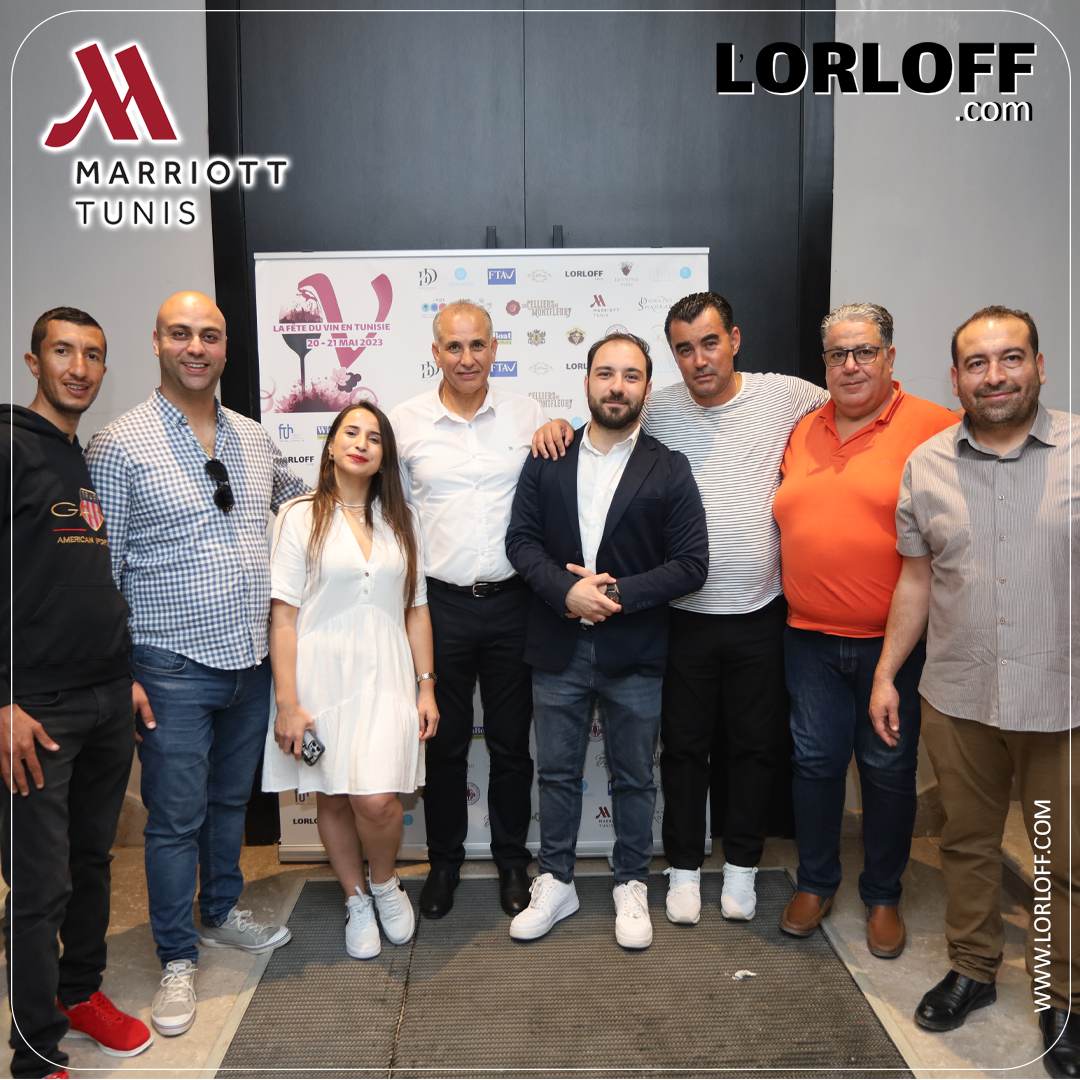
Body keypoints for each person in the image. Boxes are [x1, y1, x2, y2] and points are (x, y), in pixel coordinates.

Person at [534, 292, 828, 924]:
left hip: (759, 611)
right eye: (685, 348)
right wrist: (555, 424)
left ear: (735, 340)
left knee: (753, 749)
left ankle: (742, 868)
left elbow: (848, 406)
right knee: (684, 751)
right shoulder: (657, 406)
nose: (699, 359)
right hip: (682, 618)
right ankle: (685, 870)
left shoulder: (786, 395)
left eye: (710, 343)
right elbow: (602, 421)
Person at [85, 292, 307, 1038]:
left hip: (250, 659)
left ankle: (218, 911)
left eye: (209, 335)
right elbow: (101, 571)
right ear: (156, 342)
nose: (196, 347)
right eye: (180, 334)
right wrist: (121, 674)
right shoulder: (118, 445)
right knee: (175, 820)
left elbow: (303, 503)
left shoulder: (253, 437)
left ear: (225, 347)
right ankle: (177, 957)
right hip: (170, 666)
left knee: (227, 805)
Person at [869, 306, 1078, 1077]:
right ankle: (974, 969)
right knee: (965, 844)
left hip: (1061, 699)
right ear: (956, 378)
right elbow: (917, 579)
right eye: (978, 364)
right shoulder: (926, 465)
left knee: (1060, 858)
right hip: (958, 696)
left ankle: (1063, 994)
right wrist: (887, 673)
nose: (995, 377)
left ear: (1039, 367)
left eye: (1010, 358)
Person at [505, 332, 708, 948]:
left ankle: (630, 882)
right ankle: (557, 880)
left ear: (646, 387)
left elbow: (691, 565)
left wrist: (612, 594)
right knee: (557, 773)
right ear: (587, 379)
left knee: (635, 776)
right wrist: (565, 593)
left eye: (631, 375)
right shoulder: (548, 456)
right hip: (557, 644)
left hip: (635, 650)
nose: (616, 387)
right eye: (605, 373)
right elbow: (521, 542)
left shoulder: (669, 466)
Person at [771, 303, 956, 956]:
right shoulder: (804, 428)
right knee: (815, 764)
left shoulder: (934, 427)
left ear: (890, 357)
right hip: (808, 639)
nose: (850, 366)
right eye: (837, 355)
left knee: (887, 767)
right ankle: (816, 882)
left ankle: (882, 896)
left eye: (864, 352)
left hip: (894, 645)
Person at [2, 308, 154, 1079]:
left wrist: (122, 676)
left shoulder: (81, 456)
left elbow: (83, 580)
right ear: (34, 362)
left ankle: (80, 993)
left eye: (93, 355)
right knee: (40, 885)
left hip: (105, 697)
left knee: (93, 861)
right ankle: (34, 1050)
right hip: (36, 707)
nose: (79, 368)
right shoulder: (9, 446)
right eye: (63, 351)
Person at [262, 402, 438, 958]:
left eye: (374, 437)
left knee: (378, 800)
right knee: (334, 796)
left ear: (385, 454)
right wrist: (288, 703)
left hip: (388, 672)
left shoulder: (402, 520)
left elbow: (417, 609)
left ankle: (384, 883)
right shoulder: (298, 516)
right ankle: (356, 897)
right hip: (321, 675)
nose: (361, 443)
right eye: (351, 432)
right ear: (331, 445)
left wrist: (427, 685)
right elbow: (283, 616)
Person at [390, 301, 547, 919]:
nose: (466, 358)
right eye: (453, 347)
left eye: (477, 345)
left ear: (494, 348)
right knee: (446, 747)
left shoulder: (528, 415)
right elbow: (392, 514)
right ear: (435, 352)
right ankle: (444, 864)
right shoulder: (404, 423)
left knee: (511, 745)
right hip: (440, 607)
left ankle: (512, 862)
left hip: (514, 604)